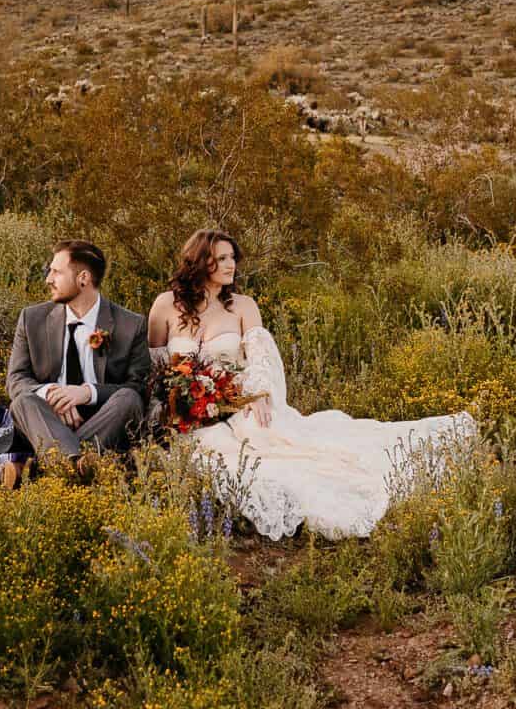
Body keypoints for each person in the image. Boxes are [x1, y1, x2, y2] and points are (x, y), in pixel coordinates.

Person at [147, 229, 472, 539]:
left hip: (237, 403)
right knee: (222, 462)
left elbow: (260, 361)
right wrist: (174, 405)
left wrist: (256, 394)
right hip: (188, 415)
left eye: (233, 257)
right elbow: (155, 366)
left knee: (274, 439)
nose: (232, 265)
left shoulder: (243, 306)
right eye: (222, 258)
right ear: (200, 261)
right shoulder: (165, 305)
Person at [5, 239, 151, 479]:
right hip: (48, 420)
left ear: (83, 278)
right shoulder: (32, 319)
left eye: (56, 272)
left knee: (129, 399)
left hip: (102, 421)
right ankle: (80, 467)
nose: (48, 279)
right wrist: (53, 394)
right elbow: (16, 378)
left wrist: (87, 393)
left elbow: (138, 386)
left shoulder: (130, 324)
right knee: (23, 401)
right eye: (49, 271)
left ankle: (51, 469)